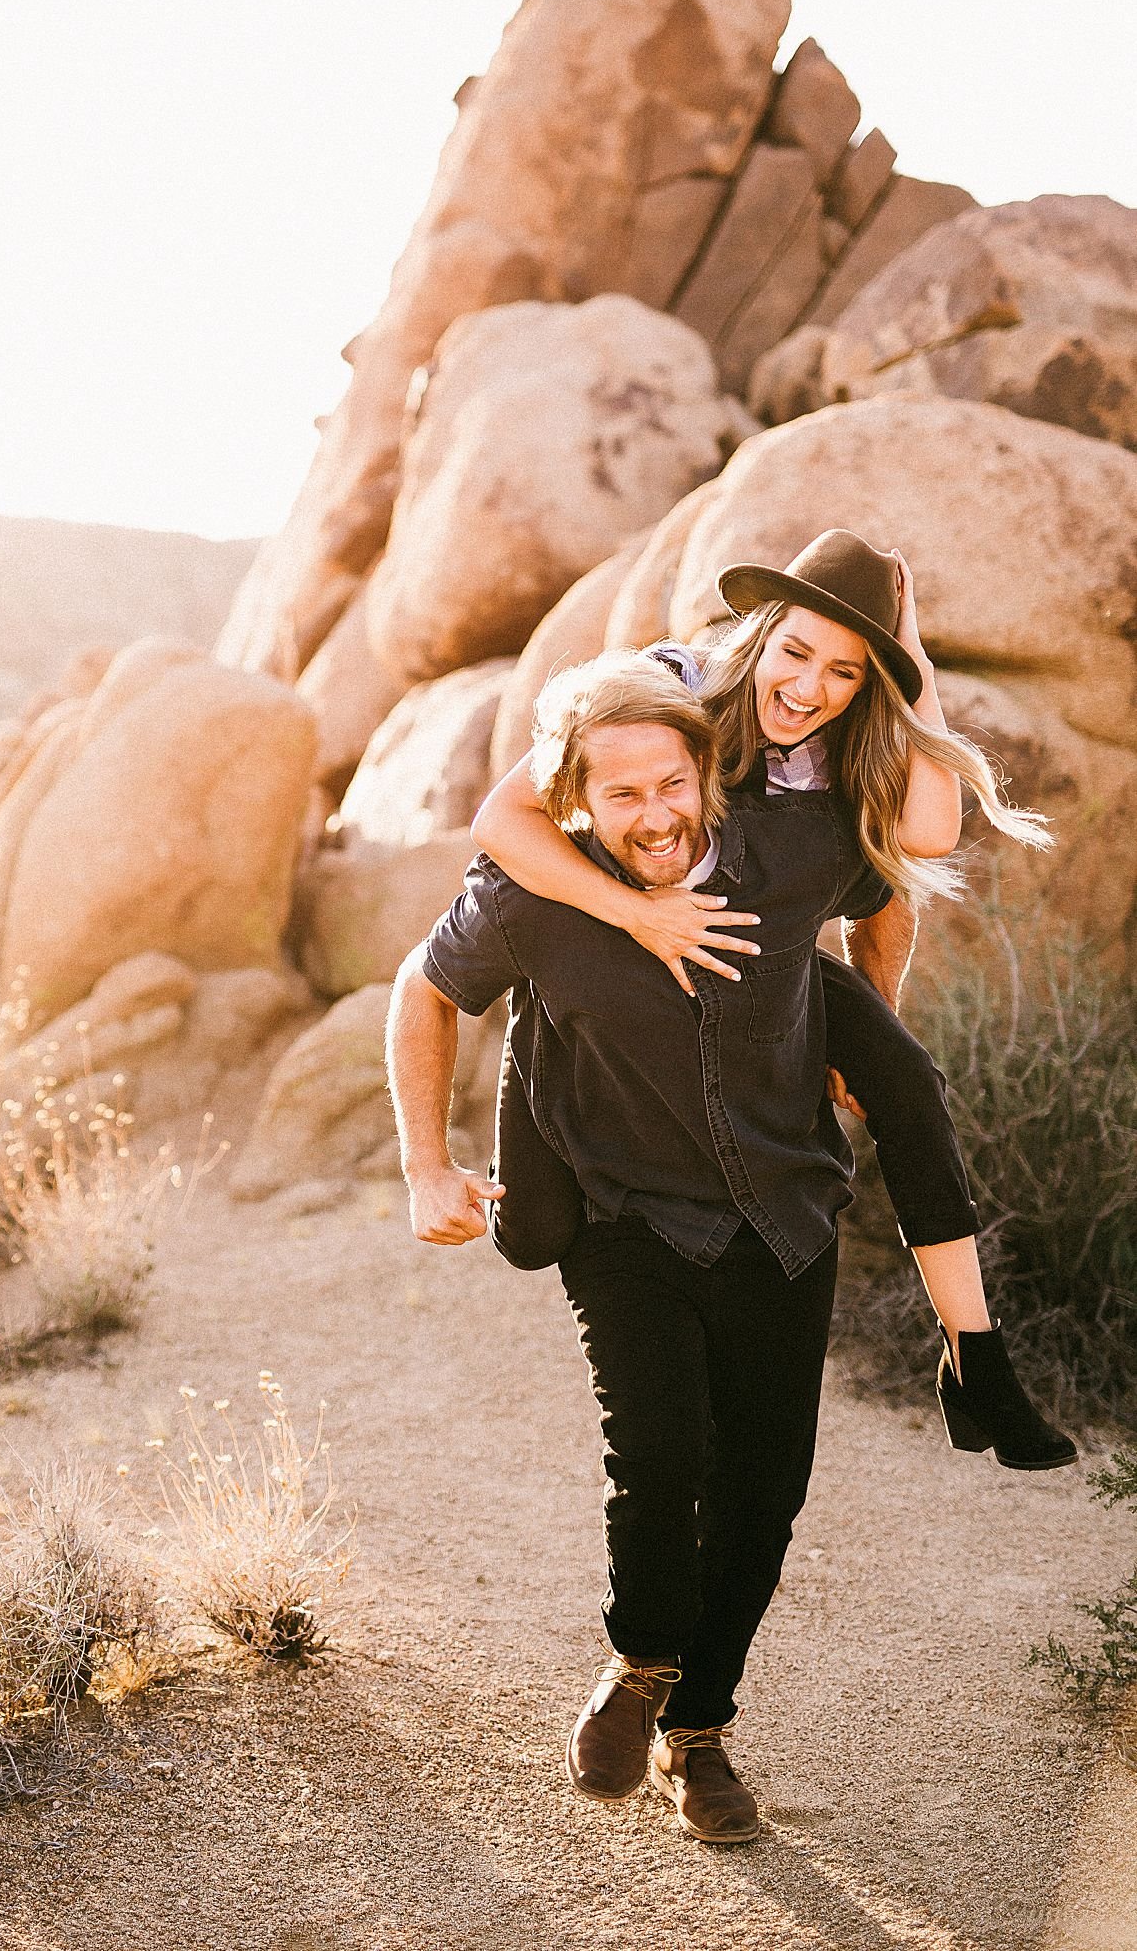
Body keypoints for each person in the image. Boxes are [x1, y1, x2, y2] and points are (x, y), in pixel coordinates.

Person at [386, 648, 902, 1839]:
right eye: (622, 795)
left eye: (672, 784)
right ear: (572, 799)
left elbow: (890, 898)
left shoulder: (791, 852)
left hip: (784, 1210)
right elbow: (423, 989)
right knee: (661, 1453)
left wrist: (871, 1042)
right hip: (625, 1220)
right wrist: (426, 1163)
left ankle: (698, 1732)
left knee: (765, 1489)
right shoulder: (528, 898)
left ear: (707, 776)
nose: (657, 816)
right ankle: (639, 1664)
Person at [472, 531, 1073, 1473]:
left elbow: (923, 836)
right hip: (610, 961)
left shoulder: (844, 747)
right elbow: (499, 820)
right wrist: (639, 916)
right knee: (535, 1234)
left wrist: (908, 655)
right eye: (796, 651)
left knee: (909, 1085)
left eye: (846, 670)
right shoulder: (667, 687)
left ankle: (977, 1360)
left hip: (767, 962)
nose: (810, 687)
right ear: (758, 632)